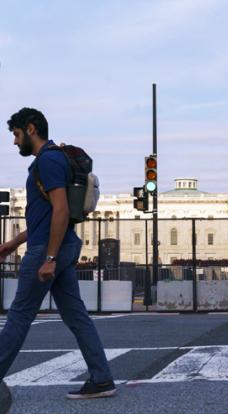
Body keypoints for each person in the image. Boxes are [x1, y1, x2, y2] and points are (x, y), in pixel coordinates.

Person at [0, 108, 116, 401]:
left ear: (30, 129)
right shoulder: (53, 158)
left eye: (15, 135)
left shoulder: (49, 160)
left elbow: (62, 210)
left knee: (19, 314)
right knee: (76, 315)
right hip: (58, 245)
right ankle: (102, 379)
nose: (14, 142)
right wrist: (13, 243)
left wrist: (49, 258)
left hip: (47, 250)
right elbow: (48, 215)